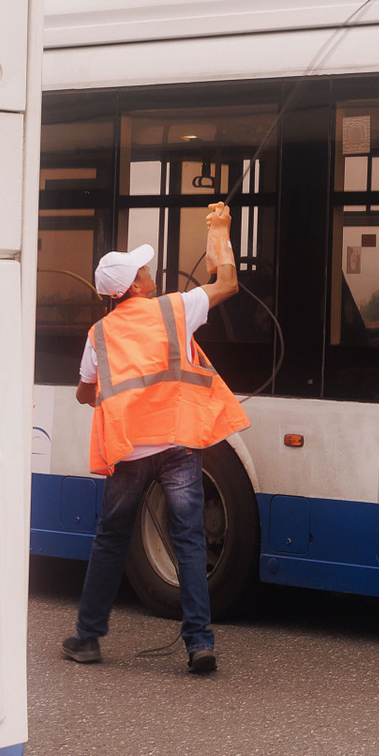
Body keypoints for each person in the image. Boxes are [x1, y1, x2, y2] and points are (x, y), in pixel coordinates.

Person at [61, 203, 251, 674]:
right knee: (188, 539)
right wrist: (220, 231)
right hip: (178, 444)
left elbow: (85, 392)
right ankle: (199, 643)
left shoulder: (99, 334)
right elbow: (228, 283)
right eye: (143, 270)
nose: (149, 273)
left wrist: (105, 393)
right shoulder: (175, 308)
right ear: (133, 287)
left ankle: (87, 638)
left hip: (130, 451)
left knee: (111, 539)